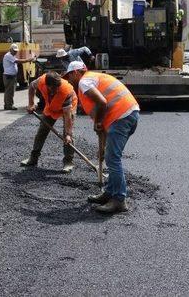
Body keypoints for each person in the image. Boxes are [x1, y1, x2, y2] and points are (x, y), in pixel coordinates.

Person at [64, 61, 140, 214]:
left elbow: (102, 103)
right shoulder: (93, 79)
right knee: (111, 157)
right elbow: (102, 124)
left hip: (121, 117)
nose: (69, 80)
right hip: (127, 116)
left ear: (77, 72)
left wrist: (98, 121)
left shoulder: (85, 81)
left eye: (70, 75)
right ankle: (110, 193)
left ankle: (119, 200)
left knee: (113, 159)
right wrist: (102, 147)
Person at [22, 71, 78, 173]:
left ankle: (68, 162)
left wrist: (68, 134)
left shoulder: (66, 91)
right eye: (52, 88)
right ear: (47, 85)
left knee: (67, 136)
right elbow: (31, 86)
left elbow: (67, 115)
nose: (55, 91)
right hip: (52, 106)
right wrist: (31, 104)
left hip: (68, 107)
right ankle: (33, 159)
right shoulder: (41, 81)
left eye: (57, 88)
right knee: (42, 132)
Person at [2, 43, 34, 110]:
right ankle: (9, 106)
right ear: (10, 49)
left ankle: (7, 105)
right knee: (10, 92)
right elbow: (18, 61)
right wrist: (28, 60)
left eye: (16, 51)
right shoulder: (8, 56)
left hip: (11, 76)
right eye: (14, 51)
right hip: (9, 76)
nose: (16, 52)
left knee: (9, 91)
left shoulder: (11, 55)